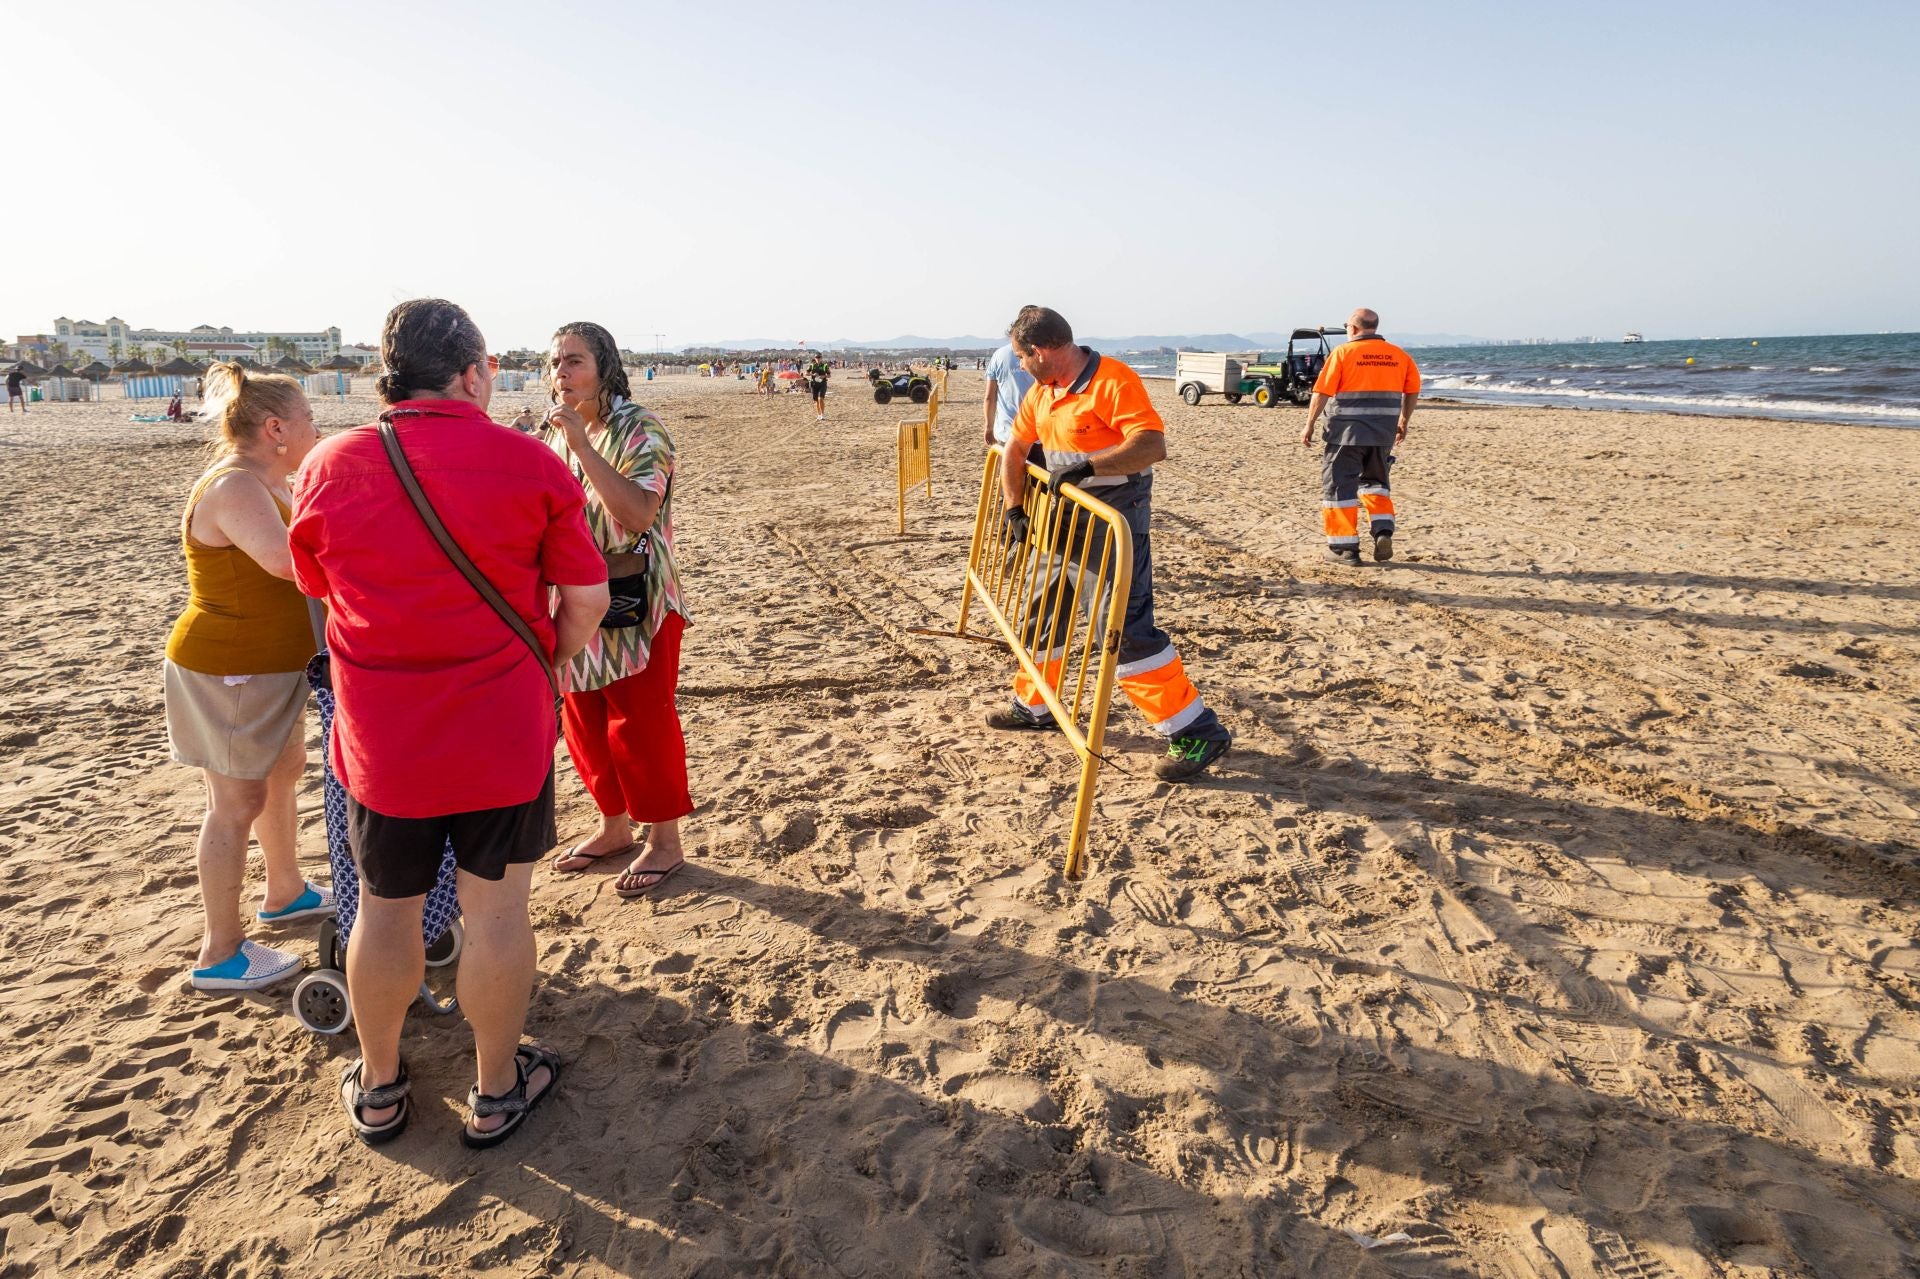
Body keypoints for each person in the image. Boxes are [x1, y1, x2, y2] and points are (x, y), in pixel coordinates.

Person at [290, 299, 609, 1149]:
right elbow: (587, 600)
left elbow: (318, 593)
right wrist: (547, 664)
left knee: (385, 916)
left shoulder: (326, 466)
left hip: (384, 740)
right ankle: (496, 1088)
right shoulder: (529, 464)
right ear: (471, 374)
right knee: (498, 914)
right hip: (501, 734)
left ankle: (383, 1082)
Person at [990, 306, 1232, 782]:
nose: (1019, 366)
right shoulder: (1044, 392)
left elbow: (1151, 445)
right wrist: (1014, 508)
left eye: (1022, 357)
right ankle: (1034, 705)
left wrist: (1088, 466)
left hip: (1112, 524)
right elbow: (1015, 451)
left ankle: (1196, 730)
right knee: (1043, 614)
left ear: (1040, 352)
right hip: (1061, 524)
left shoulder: (1113, 381)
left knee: (1122, 632)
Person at [164, 362, 329, 993]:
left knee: (281, 774)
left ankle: (284, 892)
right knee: (235, 804)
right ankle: (219, 951)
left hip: (271, 667)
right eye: (310, 416)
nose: (318, 425)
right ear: (276, 428)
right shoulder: (235, 486)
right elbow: (289, 564)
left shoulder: (272, 480)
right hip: (228, 668)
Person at [543, 322, 693, 898]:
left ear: (604, 366)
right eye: (555, 362)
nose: (561, 373)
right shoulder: (556, 432)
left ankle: (664, 841)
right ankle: (614, 827)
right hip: (575, 595)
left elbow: (635, 514)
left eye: (574, 361)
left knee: (641, 719)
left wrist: (581, 444)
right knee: (583, 716)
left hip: (638, 598)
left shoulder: (640, 428)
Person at [1300, 308, 1420, 565]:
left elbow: (1321, 392)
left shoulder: (1343, 353)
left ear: (1353, 329)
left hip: (1346, 434)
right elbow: (1412, 391)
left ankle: (1344, 550)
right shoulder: (1399, 355)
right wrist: (1404, 421)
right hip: (1382, 435)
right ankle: (1383, 531)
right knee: (1376, 483)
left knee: (1340, 486)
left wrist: (1308, 424)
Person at [982, 337, 1035, 450]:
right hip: (1036, 434)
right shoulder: (1041, 352)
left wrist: (989, 427)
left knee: (1006, 467)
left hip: (1007, 432)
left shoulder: (999, 354)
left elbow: (990, 397)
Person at [806, 352, 831, 421]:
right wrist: (813, 374)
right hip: (814, 384)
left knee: (820, 399)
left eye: (819, 357)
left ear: (821, 358)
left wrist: (824, 376)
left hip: (822, 384)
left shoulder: (825, 365)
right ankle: (819, 414)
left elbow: (829, 375)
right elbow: (806, 373)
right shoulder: (812, 365)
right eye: (817, 357)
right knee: (816, 401)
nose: (818, 359)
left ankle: (823, 415)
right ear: (815, 358)